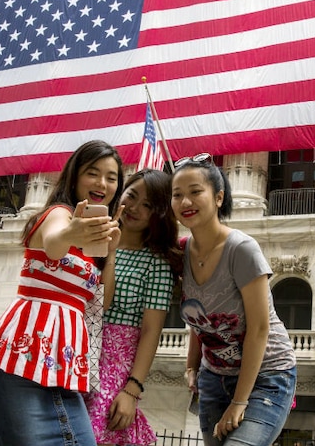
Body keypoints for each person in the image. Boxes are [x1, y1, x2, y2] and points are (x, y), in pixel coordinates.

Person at [0, 140, 125, 446]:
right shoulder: (59, 213)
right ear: (74, 176)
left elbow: (102, 302)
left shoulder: (95, 238)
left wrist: (110, 252)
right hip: (23, 359)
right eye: (92, 173)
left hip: (64, 366)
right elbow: (55, 244)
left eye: (111, 177)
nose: (102, 183)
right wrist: (72, 232)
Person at [172, 153, 297, 446]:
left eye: (195, 192)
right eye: (177, 195)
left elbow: (259, 329)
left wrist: (240, 402)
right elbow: (198, 318)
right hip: (213, 378)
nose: (185, 202)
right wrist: (192, 366)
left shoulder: (241, 249)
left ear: (218, 197)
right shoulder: (180, 252)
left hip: (268, 375)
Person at [85, 169, 183, 446]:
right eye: (132, 196)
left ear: (160, 214)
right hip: (77, 353)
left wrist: (132, 389)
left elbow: (152, 330)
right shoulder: (89, 244)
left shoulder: (157, 262)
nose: (135, 208)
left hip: (116, 363)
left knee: (95, 433)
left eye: (148, 205)